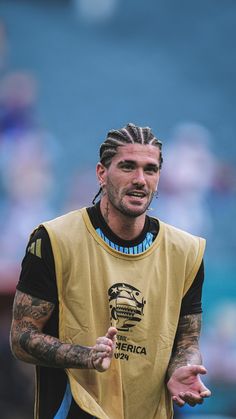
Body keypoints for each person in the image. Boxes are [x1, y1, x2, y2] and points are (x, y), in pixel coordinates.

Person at [10, 123, 211, 419]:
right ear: (101, 174)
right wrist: (86, 356)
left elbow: (187, 342)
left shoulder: (186, 251)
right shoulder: (53, 239)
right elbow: (21, 338)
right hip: (75, 411)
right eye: (127, 167)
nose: (140, 180)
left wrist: (183, 367)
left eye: (150, 169)